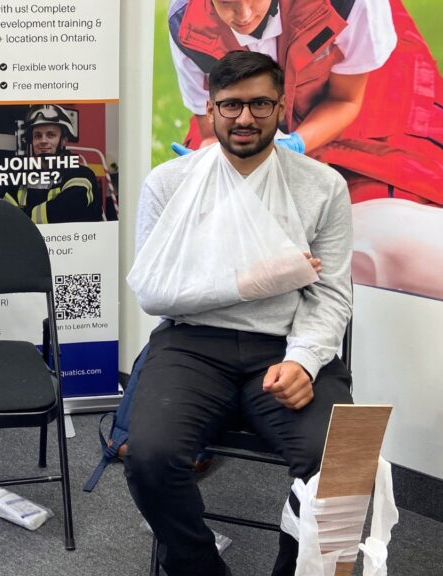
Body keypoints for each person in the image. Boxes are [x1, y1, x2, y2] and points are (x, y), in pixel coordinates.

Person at [125, 52, 353, 575]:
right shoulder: (169, 183)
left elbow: (332, 295)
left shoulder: (322, 186)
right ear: (210, 108)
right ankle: (199, 567)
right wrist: (254, 281)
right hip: (192, 345)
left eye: (258, 104)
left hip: (283, 347)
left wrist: (305, 362)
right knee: (149, 458)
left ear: (281, 107)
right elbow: (155, 292)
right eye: (230, 105)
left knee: (343, 464)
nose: (244, 118)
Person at [168, 0, 443, 214]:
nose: (245, 14)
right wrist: (214, 157)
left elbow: (346, 100)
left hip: (373, 101)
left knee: (378, 222)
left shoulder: (348, 1)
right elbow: (211, 127)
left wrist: (294, 145)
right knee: (213, 215)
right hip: (264, 114)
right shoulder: (185, 21)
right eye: (227, 2)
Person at [2, 104, 104, 223]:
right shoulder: (21, 178)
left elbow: (66, 209)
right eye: (37, 136)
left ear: (63, 140)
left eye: (51, 135)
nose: (43, 141)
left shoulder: (81, 174)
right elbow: (3, 215)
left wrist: (20, 220)